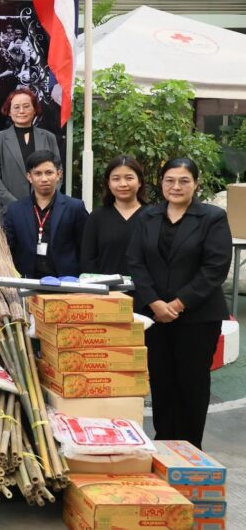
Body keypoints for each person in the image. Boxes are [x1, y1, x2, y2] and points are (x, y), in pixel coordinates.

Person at [127, 158, 231, 449]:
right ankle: (164, 446)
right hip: (155, 317)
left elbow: (215, 267)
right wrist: (154, 302)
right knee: (162, 382)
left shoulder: (212, 218)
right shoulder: (147, 216)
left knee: (192, 384)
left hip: (198, 317)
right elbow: (135, 261)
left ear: (196, 184)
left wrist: (178, 303)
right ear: (161, 183)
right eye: (169, 180)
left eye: (184, 181)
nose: (176, 186)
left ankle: (189, 450)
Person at [2, 150, 88, 279]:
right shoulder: (15, 210)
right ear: (29, 177)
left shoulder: (75, 207)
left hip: (66, 281)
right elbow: (7, 248)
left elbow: (86, 249)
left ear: (58, 174)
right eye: (38, 174)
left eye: (49, 173)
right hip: (26, 281)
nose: (44, 179)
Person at [0, 88, 60, 217]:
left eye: (26, 106)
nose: (21, 111)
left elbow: (58, 172)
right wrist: (15, 205)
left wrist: (46, 201)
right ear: (9, 111)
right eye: (16, 107)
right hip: (8, 211)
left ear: (35, 109)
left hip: (43, 212)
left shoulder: (49, 138)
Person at [80, 156, 147, 276]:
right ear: (108, 184)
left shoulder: (153, 216)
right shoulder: (97, 217)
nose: (123, 184)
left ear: (140, 182)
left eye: (129, 178)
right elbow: (87, 260)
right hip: (105, 287)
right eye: (116, 179)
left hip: (144, 287)